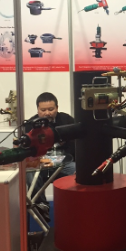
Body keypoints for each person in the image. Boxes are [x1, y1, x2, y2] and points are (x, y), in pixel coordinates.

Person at [25, 93, 76, 221]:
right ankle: (41, 205)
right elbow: (28, 151)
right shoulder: (30, 125)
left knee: (79, 171)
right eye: (43, 110)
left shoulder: (68, 121)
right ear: (37, 110)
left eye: (51, 109)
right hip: (41, 163)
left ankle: (75, 205)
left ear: (57, 108)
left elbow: (75, 145)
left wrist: (60, 160)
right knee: (30, 174)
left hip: (64, 162)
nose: (47, 113)